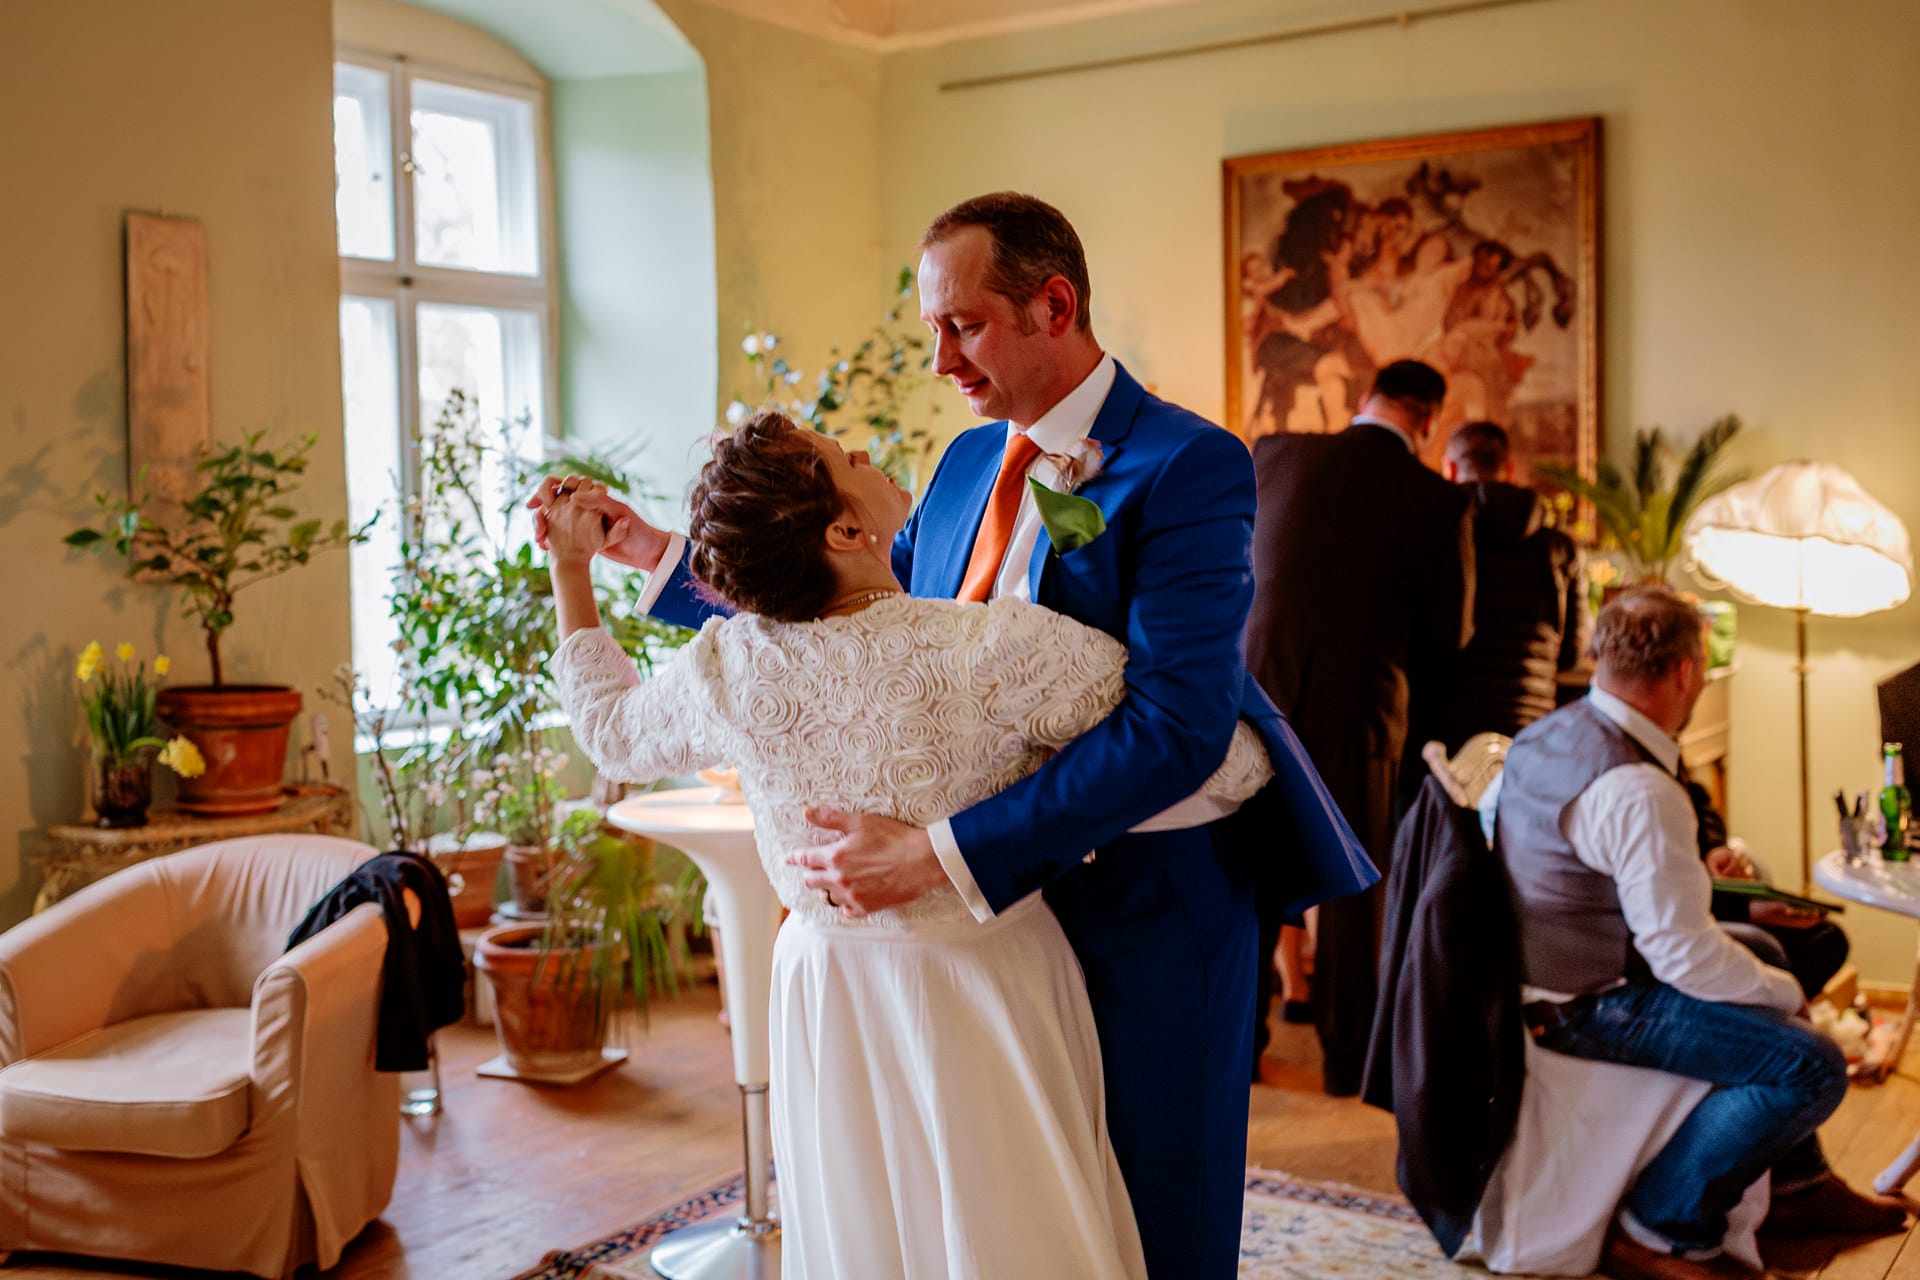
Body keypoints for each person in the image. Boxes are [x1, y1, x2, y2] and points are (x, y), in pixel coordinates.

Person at [532, 192, 1374, 1279]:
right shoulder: (968, 462)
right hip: (987, 944)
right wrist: (657, 551)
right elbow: (849, 627)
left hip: (1147, 902)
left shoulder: (1188, 463)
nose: (940, 361)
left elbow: (1180, 725)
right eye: (933, 328)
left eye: (962, 326)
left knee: (1154, 1220)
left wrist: (939, 852)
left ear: (1053, 305)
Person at [542, 413, 1282, 1276]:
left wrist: (570, 572)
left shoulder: (729, 663)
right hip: (981, 978)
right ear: (845, 531)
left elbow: (611, 733)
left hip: (823, 983)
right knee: (1004, 1222)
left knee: (867, 1227)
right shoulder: (992, 647)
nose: (866, 454)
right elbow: (1223, 755)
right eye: (845, 459)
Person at [1496, 585, 1903, 1280]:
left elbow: (1605, 878)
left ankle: (1797, 1188)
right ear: (1686, 670)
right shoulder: (1638, 785)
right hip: (1588, 1007)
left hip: (1542, 973)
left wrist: (1754, 949)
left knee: (1766, 948)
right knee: (1812, 1062)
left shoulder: (1547, 734)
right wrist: (1786, 998)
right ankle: (1660, 1227)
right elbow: (1681, 956)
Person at [1242, 358, 1474, 1095]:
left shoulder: (1275, 453)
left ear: (1367, 397)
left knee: (1249, 875)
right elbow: (1449, 639)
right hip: (1360, 712)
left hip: (1254, 695)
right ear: (1427, 420)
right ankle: (1350, 1065)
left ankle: (1241, 1048)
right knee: (1350, 895)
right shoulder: (1441, 501)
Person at [1437, 420, 1589, 750]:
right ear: (1508, 469)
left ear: (1450, 469)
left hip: (1447, 726)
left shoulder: (1437, 539)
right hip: (1529, 724)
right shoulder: (1559, 549)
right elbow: (1572, 654)